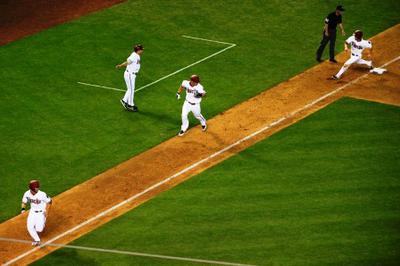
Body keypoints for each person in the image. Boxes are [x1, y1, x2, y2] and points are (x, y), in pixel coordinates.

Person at [21, 180, 52, 246]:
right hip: (32, 212)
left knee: (39, 229)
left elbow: (50, 201)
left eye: (37, 187)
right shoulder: (27, 193)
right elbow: (24, 202)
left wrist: (47, 212)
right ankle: (37, 240)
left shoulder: (42, 194)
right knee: (30, 227)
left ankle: (43, 223)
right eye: (36, 187)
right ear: (32, 188)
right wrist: (23, 209)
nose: (37, 188)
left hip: (41, 213)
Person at [116, 44, 144, 112]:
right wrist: (120, 65)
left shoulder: (136, 55)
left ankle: (124, 101)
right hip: (130, 75)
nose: (142, 50)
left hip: (131, 74)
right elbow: (128, 62)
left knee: (130, 89)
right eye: (141, 49)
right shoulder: (134, 56)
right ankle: (131, 105)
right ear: (138, 50)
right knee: (131, 89)